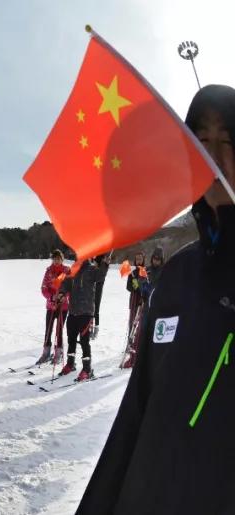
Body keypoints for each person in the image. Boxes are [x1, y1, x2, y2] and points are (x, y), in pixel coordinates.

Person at [78, 84, 235, 513]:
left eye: (227, 142)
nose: (215, 158)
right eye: (201, 142)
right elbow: (139, 408)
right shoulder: (179, 274)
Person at [56, 256, 106, 381]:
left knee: (84, 342)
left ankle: (87, 369)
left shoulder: (91, 269)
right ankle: (70, 364)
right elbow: (65, 283)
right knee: (71, 338)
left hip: (86, 311)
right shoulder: (73, 269)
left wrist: (105, 264)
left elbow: (100, 276)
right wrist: (61, 294)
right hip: (73, 311)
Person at [37, 250, 70, 365]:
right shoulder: (49, 271)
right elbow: (44, 288)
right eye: (54, 259)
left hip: (63, 306)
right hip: (51, 306)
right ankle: (46, 352)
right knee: (48, 329)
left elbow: (70, 287)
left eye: (58, 259)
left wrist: (62, 296)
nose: (56, 261)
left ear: (62, 259)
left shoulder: (66, 271)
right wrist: (51, 297)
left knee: (59, 330)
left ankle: (59, 352)